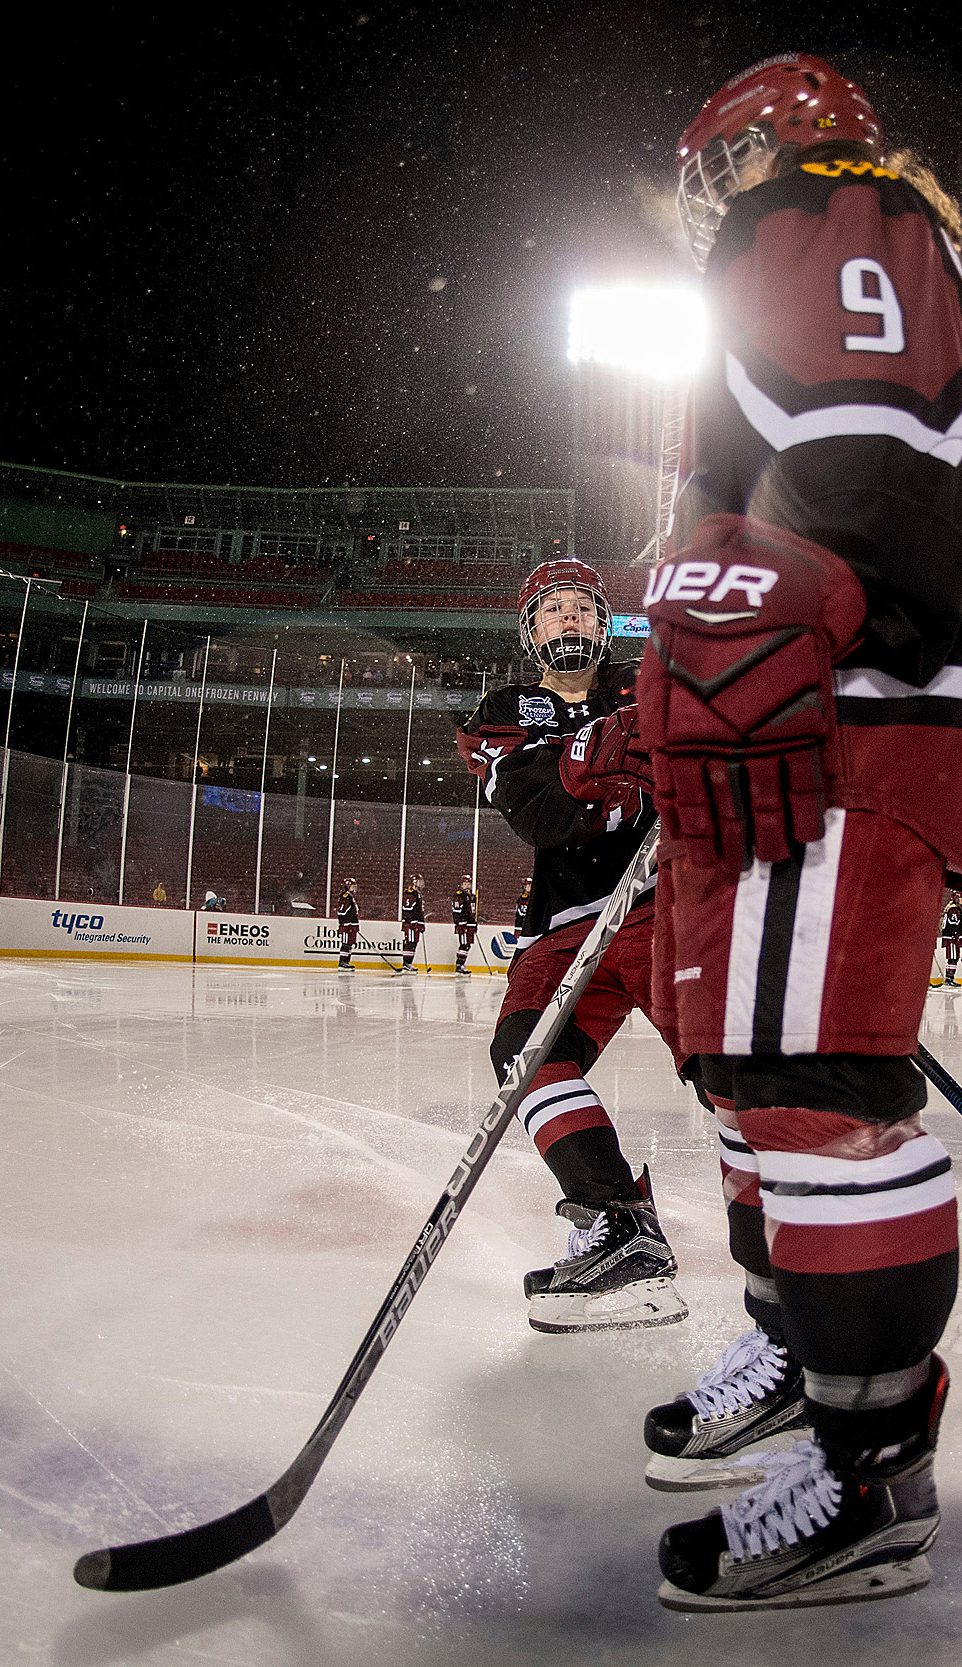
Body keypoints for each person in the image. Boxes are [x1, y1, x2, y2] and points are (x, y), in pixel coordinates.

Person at [639, 52, 962, 1611]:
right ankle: (804, 1352)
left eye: (716, 161)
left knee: (816, 1095)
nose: (705, 194)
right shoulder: (838, 231)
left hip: (842, 721)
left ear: (771, 142)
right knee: (756, 1081)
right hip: (816, 709)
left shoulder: (835, 218)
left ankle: (872, 1478)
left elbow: (865, 456)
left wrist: (766, 635)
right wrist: (682, 673)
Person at [455, 558, 698, 1337]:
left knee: (728, 1065)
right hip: (566, 926)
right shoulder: (499, 709)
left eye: (582, 608)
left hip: (667, 905)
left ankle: (805, 1240)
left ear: (605, 622)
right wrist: (612, 763)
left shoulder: (648, 680)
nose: (569, 619)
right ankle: (619, 1224)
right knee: (524, 1055)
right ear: (532, 631)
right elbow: (539, 813)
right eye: (553, 609)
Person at [936, 894, 962, 988]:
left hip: (952, 938)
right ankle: (950, 978)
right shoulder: (954, 910)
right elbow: (953, 924)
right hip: (952, 938)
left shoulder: (953, 909)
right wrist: (956, 935)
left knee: (953, 958)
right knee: (953, 958)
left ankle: (950, 977)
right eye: (961, 900)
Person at [450, 876, 477, 976]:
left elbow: (472, 911)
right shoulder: (459, 896)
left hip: (469, 924)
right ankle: (459, 965)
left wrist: (473, 922)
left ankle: (461, 964)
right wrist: (460, 921)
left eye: (468, 883)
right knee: (464, 944)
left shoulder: (472, 896)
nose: (467, 885)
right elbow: (456, 911)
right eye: (465, 883)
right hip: (463, 924)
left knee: (468, 944)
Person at [398, 876, 426, 970]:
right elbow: (407, 908)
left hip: (415, 923)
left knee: (414, 942)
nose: (421, 883)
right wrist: (411, 920)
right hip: (410, 923)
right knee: (410, 942)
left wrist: (421, 923)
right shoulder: (410, 893)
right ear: (414, 882)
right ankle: (406, 963)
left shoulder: (418, 894)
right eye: (419, 881)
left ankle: (408, 963)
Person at [335, 878, 362, 971]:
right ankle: (342, 962)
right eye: (353, 886)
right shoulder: (345, 897)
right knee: (345, 943)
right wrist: (346, 922)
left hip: (352, 926)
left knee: (350, 944)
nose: (355, 888)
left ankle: (346, 962)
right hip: (347, 925)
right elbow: (342, 911)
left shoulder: (350, 897)